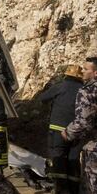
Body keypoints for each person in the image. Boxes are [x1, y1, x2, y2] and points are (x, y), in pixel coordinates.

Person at [38, 65, 83, 193]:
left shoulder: (60, 86)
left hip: (57, 131)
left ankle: (61, 190)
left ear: (66, 75)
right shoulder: (84, 89)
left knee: (58, 159)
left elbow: (43, 99)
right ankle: (74, 189)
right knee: (73, 159)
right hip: (76, 132)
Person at [62, 57, 97, 193]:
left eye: (86, 69)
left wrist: (68, 132)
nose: (82, 71)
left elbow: (83, 121)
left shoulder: (87, 92)